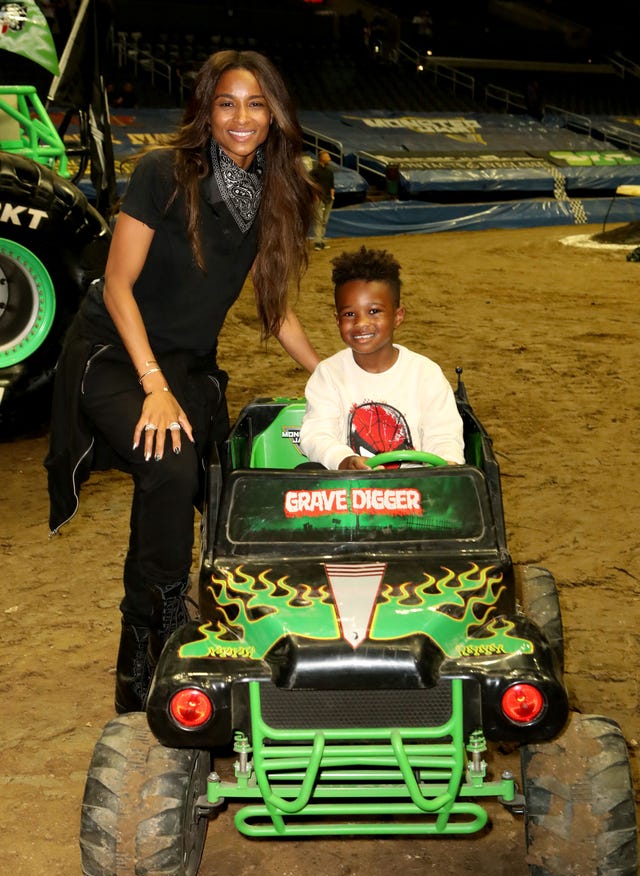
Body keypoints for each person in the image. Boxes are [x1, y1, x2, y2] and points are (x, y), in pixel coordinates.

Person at [45, 50, 320, 714]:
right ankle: (147, 643)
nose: (241, 118)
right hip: (114, 354)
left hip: (187, 369)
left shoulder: (275, 195)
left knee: (228, 485)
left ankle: (239, 625)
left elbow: (275, 309)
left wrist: (331, 375)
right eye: (227, 103)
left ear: (275, 114)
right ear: (206, 110)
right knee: (169, 467)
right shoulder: (163, 172)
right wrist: (152, 385)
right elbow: (115, 285)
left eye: (256, 104)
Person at [299, 245, 464, 470]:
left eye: (374, 311)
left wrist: (446, 464)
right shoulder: (328, 375)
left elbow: (444, 435)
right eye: (349, 314)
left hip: (417, 494)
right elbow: (317, 434)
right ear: (337, 320)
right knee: (307, 472)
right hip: (350, 493)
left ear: (398, 316)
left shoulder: (426, 375)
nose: (361, 323)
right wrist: (344, 459)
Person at [309, 149, 335, 250]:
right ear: (321, 158)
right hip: (319, 200)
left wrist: (332, 196)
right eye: (327, 156)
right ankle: (317, 243)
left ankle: (322, 241)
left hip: (328, 199)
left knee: (324, 221)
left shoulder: (330, 172)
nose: (329, 158)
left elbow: (332, 185)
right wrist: (315, 197)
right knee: (318, 221)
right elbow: (312, 186)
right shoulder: (314, 172)